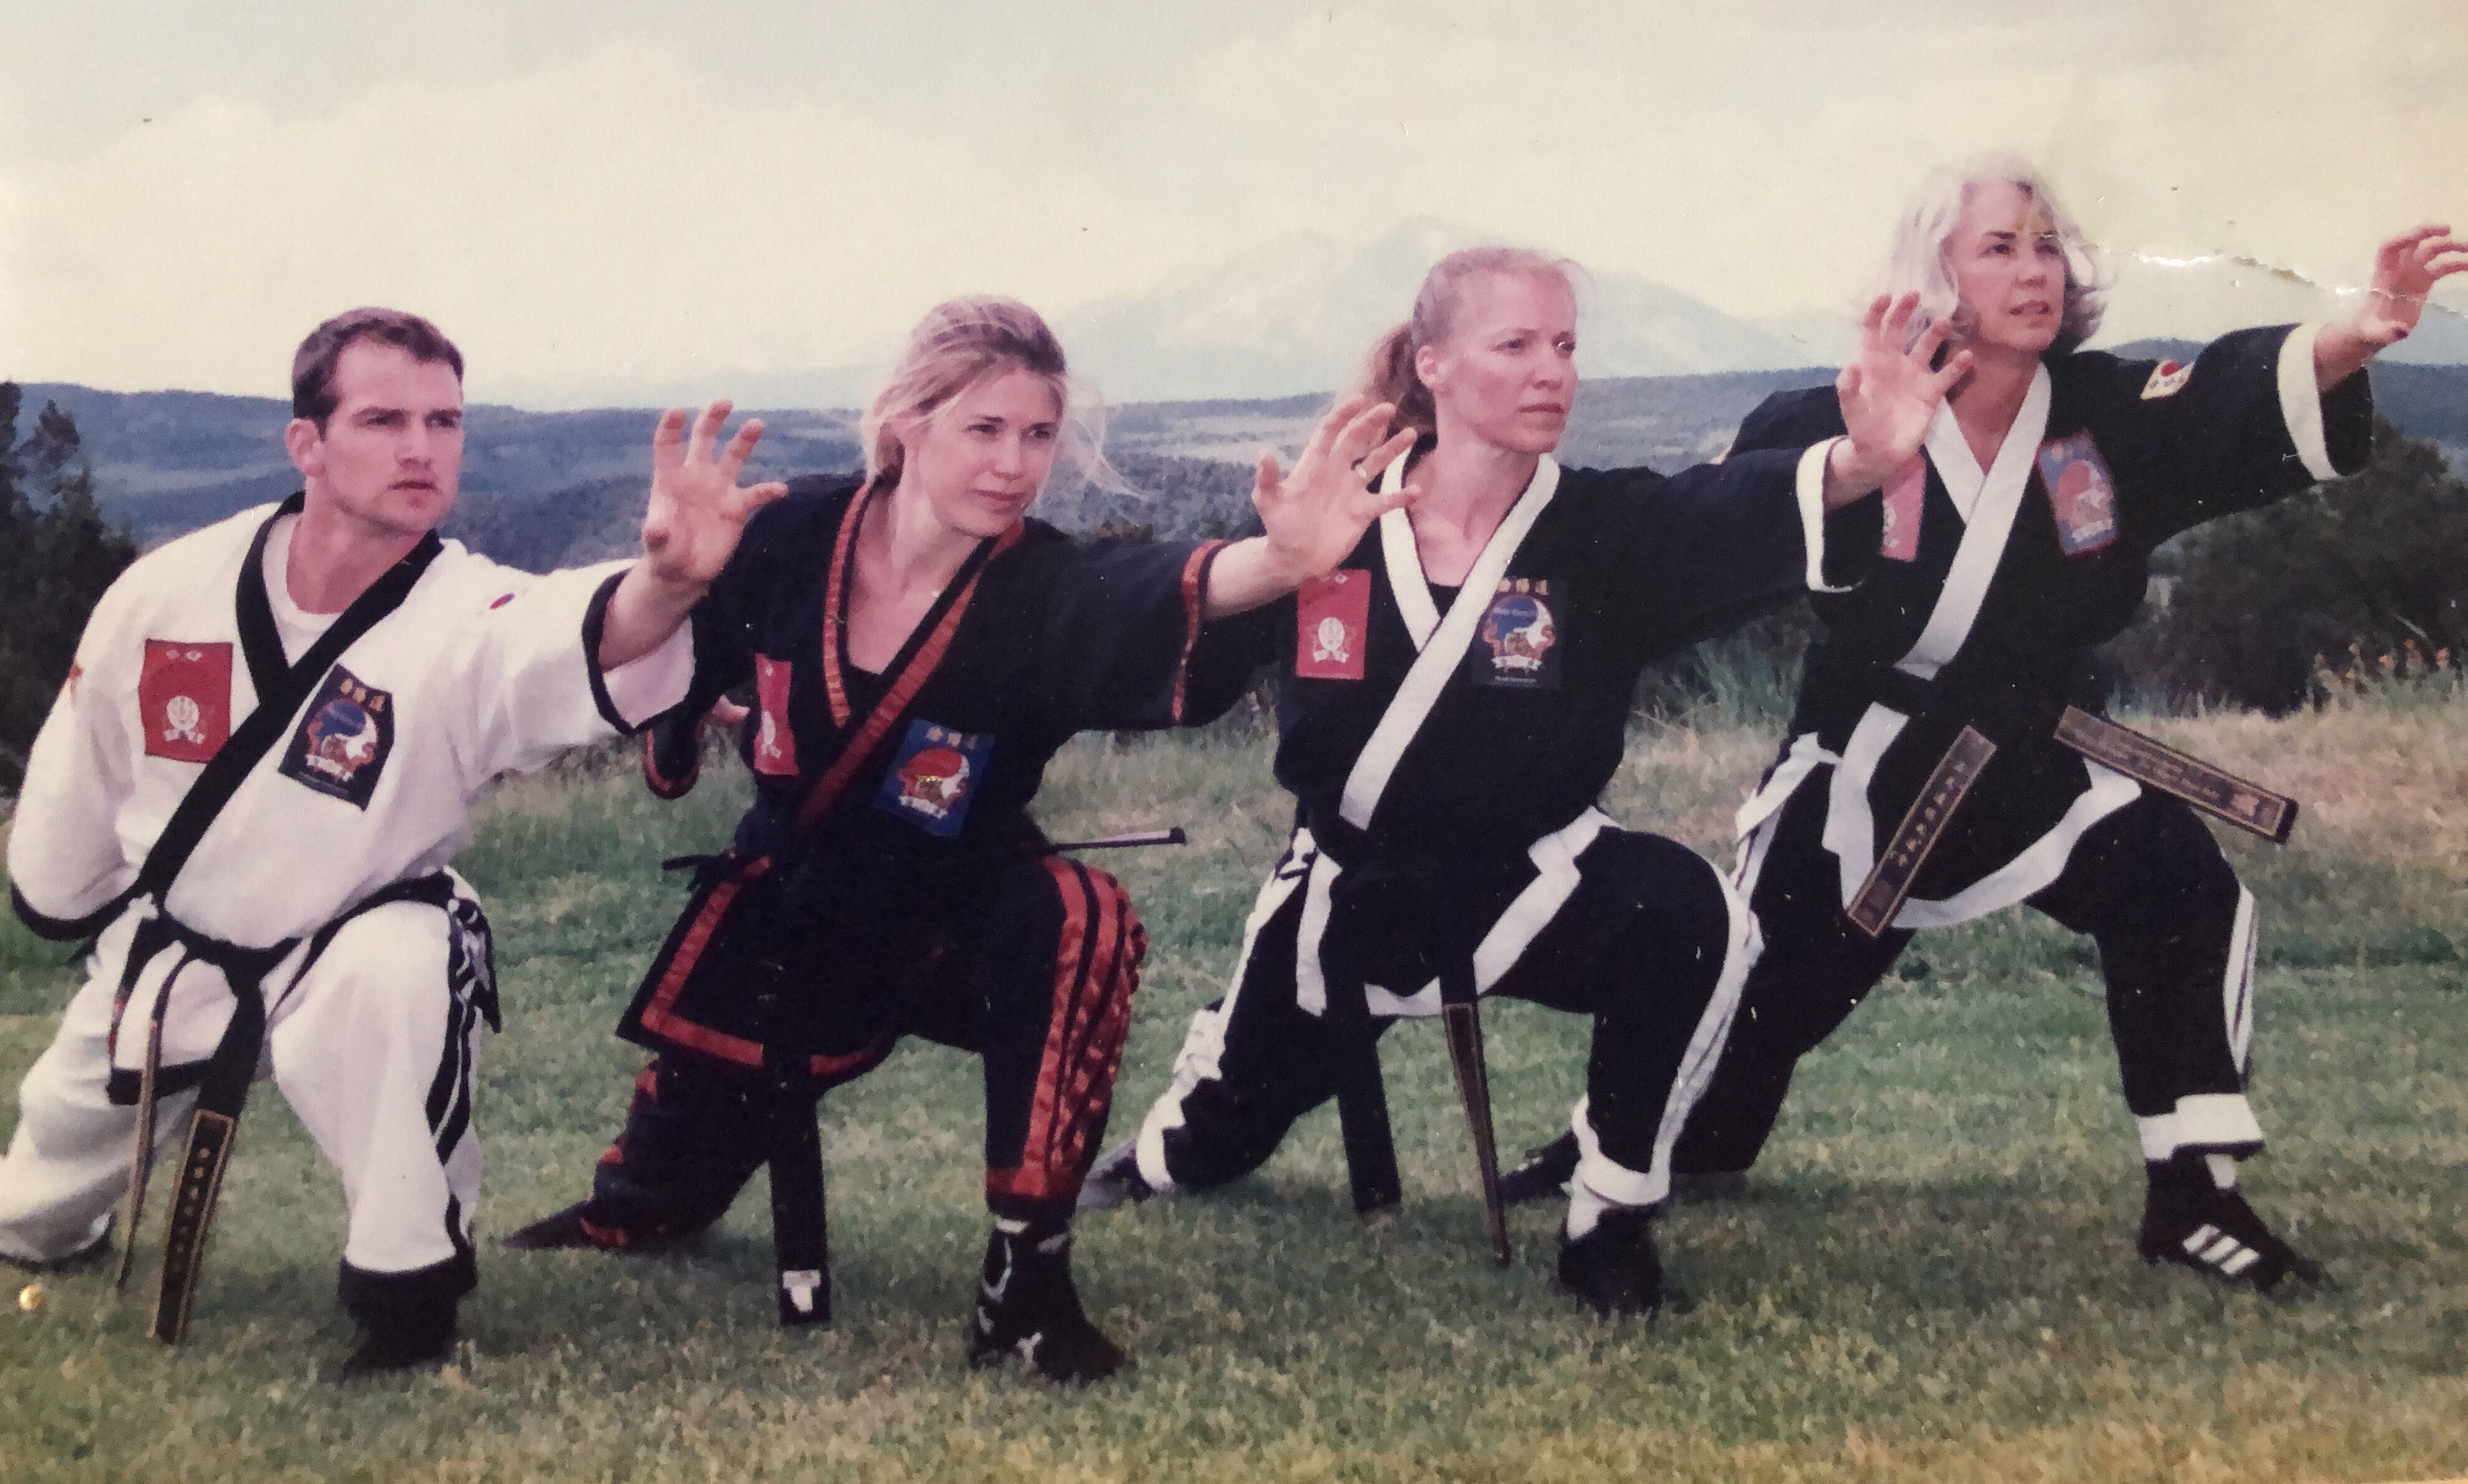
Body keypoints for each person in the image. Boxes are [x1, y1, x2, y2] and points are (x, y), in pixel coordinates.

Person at [1495, 156, 2468, 1292]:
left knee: (2177, 877)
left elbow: (2227, 400)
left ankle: (2195, 1193)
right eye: (1999, 247)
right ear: (1936, 276)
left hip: (2039, 755)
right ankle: (1621, 1142)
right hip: (1867, 767)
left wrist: (2359, 334)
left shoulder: (2105, 415)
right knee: (1753, 1018)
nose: (2035, 270)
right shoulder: (1826, 416)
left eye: (2047, 245)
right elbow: (1700, 535)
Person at [503, 296, 1418, 1384]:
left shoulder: (1039, 584)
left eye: (1037, 435)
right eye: (984, 430)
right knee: (650, 1205)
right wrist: (669, 585)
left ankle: (1025, 1284)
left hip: (957, 910)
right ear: (906, 423)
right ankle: (638, 1198)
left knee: (1078, 916)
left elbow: (1154, 589)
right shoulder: (789, 532)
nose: (1014, 465)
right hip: (790, 911)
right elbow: (650, 655)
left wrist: (1277, 564)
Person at [1078, 246, 1956, 1316]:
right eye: (1516, 346)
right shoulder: (1339, 522)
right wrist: (1269, 562)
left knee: (1695, 916)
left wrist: (1861, 465)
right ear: (1435, 364)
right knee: (1223, 1129)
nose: (1553, 372)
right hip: (1351, 893)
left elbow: (1732, 507)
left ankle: (1610, 1219)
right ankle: (1168, 1152)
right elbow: (1176, 632)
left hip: (1537, 878)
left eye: (1567, 346)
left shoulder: (1606, 527)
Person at [0, 308, 782, 1379]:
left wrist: (673, 583)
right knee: (29, 1201)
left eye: (444, 420)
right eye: (382, 419)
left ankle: (408, 1296)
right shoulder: (168, 588)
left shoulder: (465, 612)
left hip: (348, 949)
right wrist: (59, 891)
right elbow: (86, 752)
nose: (421, 448)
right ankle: (55, 1221)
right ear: (307, 444)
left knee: (403, 967)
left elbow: (579, 630)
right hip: (179, 950)